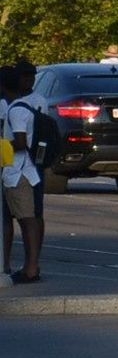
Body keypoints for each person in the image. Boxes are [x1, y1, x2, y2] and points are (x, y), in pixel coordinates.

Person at [3, 64, 45, 284]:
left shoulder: (17, 110)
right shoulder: (25, 106)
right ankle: (32, 266)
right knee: (28, 219)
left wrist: (3, 147)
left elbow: (20, 143)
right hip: (26, 171)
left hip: (19, 172)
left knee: (26, 220)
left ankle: (31, 268)